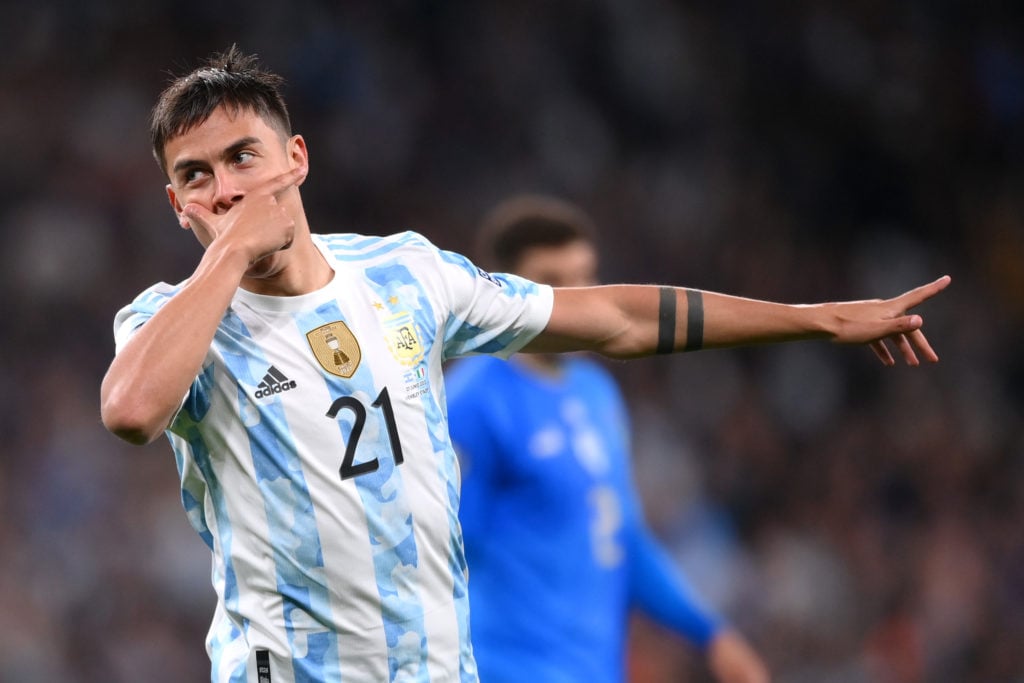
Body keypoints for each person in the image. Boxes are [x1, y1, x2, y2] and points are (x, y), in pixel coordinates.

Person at [98, 46, 950, 683]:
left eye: (243, 156)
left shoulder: (406, 275)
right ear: (178, 206)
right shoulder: (165, 320)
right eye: (196, 177)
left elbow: (614, 318)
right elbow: (131, 410)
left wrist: (813, 319)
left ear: (297, 159)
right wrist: (231, 253)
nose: (225, 187)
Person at [445, 194, 770, 683]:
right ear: (504, 290)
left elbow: (621, 536)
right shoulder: (472, 400)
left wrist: (709, 633)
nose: (578, 298)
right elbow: (445, 554)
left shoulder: (596, 392)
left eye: (585, 277)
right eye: (553, 281)